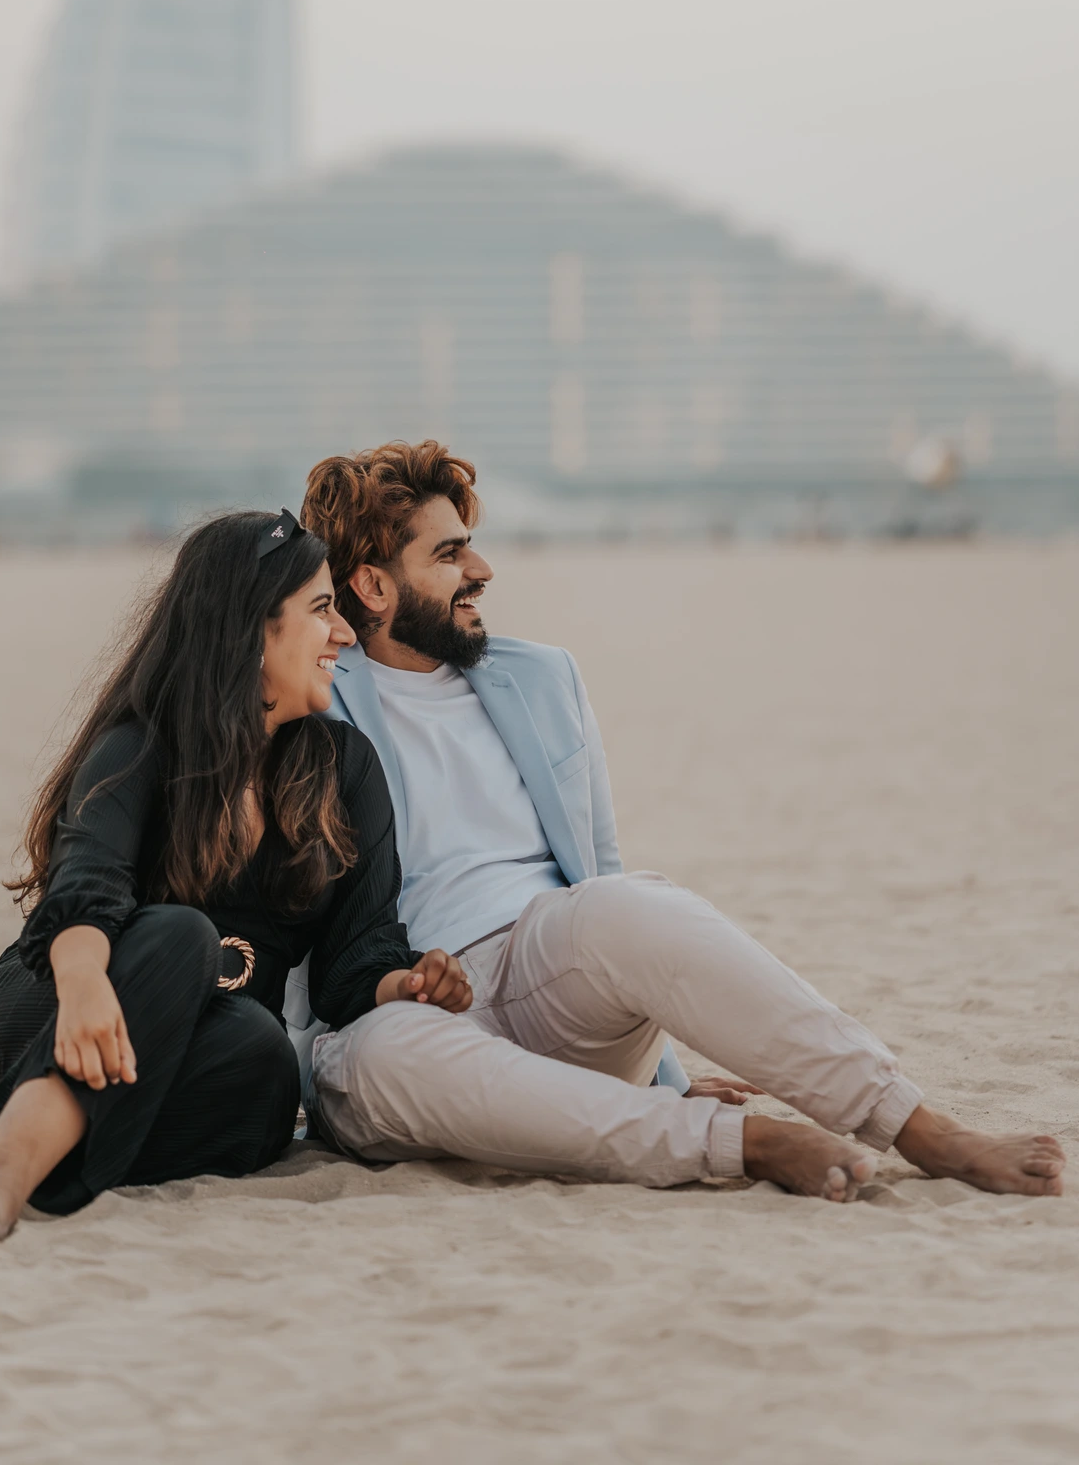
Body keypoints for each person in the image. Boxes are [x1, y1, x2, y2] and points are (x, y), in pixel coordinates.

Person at [291, 441, 1066, 1203]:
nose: (483, 572)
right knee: (376, 1061)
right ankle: (743, 1144)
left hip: (555, 984)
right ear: (373, 586)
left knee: (626, 903)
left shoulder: (540, 678)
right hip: (403, 1014)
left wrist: (669, 1070)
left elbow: (598, 866)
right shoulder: (315, 698)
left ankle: (914, 1125)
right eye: (451, 555)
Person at [0, 509, 469, 1238]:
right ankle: (7, 1167)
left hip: (204, 1054)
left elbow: (354, 961)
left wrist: (404, 981)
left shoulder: (344, 770)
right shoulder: (141, 746)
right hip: (54, 1016)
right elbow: (84, 888)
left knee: (265, 1062)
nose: (344, 633)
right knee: (184, 936)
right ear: (252, 629)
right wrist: (88, 985)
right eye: (320, 611)